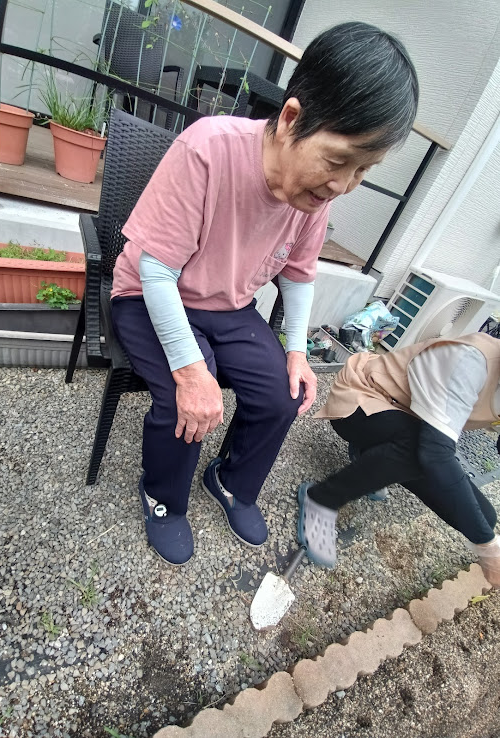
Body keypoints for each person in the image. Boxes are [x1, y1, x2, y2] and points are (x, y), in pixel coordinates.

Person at [111, 22, 419, 565]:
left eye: (362, 172)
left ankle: (231, 481)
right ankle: (163, 498)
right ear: (293, 118)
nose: (342, 185)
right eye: (337, 161)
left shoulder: (316, 197)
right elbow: (156, 272)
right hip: (150, 294)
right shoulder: (209, 148)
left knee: (284, 393)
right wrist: (191, 372)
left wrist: (297, 352)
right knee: (190, 399)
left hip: (229, 306)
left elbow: (298, 274)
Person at [297, 333, 500, 588]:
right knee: (422, 454)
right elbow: (436, 455)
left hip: (409, 416)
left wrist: (485, 537)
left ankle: (370, 455)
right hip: (364, 394)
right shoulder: (470, 361)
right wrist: (487, 546)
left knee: (485, 517)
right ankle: (322, 499)